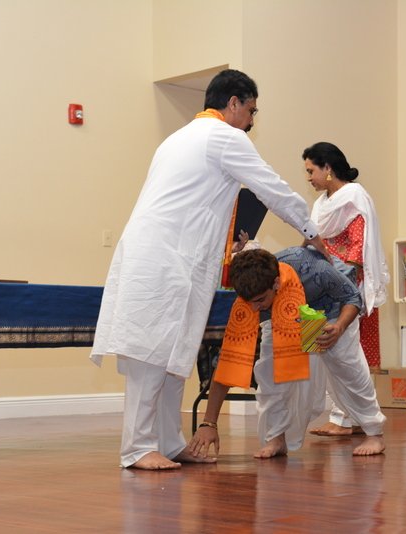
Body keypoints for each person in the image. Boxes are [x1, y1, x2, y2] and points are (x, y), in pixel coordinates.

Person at [90, 69, 329, 470]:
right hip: (164, 256)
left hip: (168, 255)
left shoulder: (178, 138)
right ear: (233, 103)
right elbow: (271, 187)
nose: (251, 121)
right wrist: (312, 230)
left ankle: (168, 443)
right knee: (152, 352)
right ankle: (137, 447)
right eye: (250, 110)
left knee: (174, 355)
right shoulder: (223, 137)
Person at [187, 247, 386, 459]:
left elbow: (353, 297)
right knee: (269, 374)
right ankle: (276, 438)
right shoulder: (251, 301)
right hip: (280, 316)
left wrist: (339, 327)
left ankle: (374, 433)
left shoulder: (315, 269)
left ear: (275, 283)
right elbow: (228, 364)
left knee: (347, 369)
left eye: (260, 300)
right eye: (249, 302)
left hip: (332, 310)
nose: (254, 309)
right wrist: (209, 423)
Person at [302, 142, 390, 437]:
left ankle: (359, 418)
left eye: (311, 171)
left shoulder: (354, 196)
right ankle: (343, 418)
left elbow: (357, 247)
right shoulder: (321, 204)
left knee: (347, 356)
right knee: (330, 355)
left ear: (327, 168)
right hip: (325, 285)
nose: (309, 178)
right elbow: (315, 241)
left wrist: (332, 272)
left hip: (348, 285)